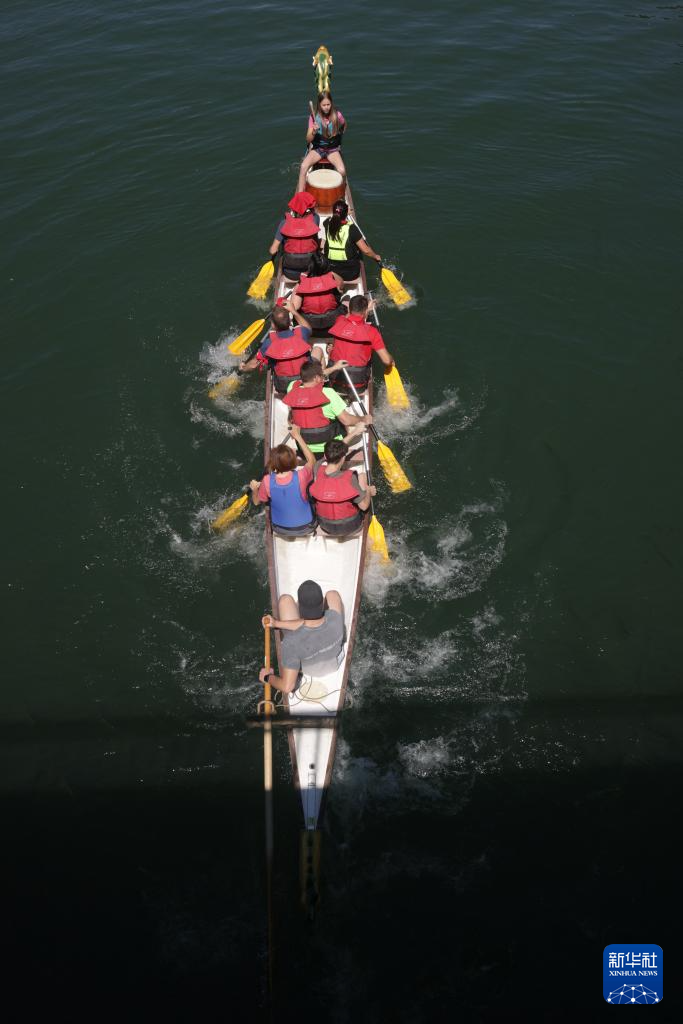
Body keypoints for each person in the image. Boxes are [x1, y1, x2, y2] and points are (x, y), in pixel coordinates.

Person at [259, 582, 346, 693]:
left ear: (299, 607)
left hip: (308, 670)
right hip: (334, 664)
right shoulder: (335, 617)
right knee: (333, 594)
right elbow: (311, 623)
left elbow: (287, 687)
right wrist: (276, 623)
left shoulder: (291, 642)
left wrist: (267, 677)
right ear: (323, 603)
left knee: (285, 600)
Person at [282, 360, 372, 456]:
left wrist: (334, 368)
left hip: (303, 447)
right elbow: (347, 420)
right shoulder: (328, 393)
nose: (323, 378)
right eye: (321, 375)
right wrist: (363, 419)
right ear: (316, 377)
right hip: (330, 449)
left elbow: (308, 378)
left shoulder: (291, 387)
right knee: (340, 418)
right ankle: (343, 404)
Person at [239, 301, 324, 394]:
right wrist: (294, 311)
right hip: (306, 380)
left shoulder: (269, 343)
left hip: (283, 386)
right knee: (318, 350)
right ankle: (322, 380)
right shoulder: (301, 333)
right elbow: (308, 328)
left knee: (270, 362)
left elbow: (253, 365)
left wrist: (243, 368)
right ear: (289, 321)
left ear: (273, 325)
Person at [249, 425, 316, 537]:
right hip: (307, 527)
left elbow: (256, 502)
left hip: (280, 529)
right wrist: (298, 437)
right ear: (294, 461)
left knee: (268, 499)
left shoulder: (267, 480)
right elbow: (312, 460)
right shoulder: (302, 475)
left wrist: (255, 489)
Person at [309, 438, 376, 538]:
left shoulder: (317, 467)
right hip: (351, 526)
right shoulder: (349, 477)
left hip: (325, 525)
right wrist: (369, 492)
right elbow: (364, 506)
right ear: (343, 458)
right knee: (362, 476)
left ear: (325, 456)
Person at [326, 294, 395, 391]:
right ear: (366, 311)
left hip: (334, 381)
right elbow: (386, 361)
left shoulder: (339, 320)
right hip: (358, 386)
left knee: (331, 348)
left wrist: (366, 310)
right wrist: (391, 361)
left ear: (349, 310)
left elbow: (349, 318)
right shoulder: (372, 332)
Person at [296, 92, 346, 193]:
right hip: (318, 149)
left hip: (332, 150)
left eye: (328, 104)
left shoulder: (338, 115)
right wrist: (314, 131)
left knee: (342, 171)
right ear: (319, 105)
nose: (326, 107)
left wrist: (338, 135)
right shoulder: (313, 118)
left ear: (331, 104)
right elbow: (308, 139)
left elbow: (344, 125)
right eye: (324, 105)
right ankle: (300, 196)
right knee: (303, 167)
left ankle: (341, 194)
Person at [323, 200, 381, 282]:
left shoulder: (326, 224)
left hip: (330, 270)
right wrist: (375, 256)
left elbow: (332, 218)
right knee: (357, 248)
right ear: (346, 214)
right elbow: (366, 251)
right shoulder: (352, 228)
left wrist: (345, 213)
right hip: (349, 273)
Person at [269, 191, 320, 281]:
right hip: (310, 271)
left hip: (290, 273)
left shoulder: (284, 223)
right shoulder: (315, 219)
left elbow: (273, 250)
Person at [289, 251, 345, 333]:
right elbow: (342, 286)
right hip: (332, 323)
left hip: (310, 325)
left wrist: (298, 284)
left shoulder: (303, 282)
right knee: (346, 300)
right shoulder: (332, 278)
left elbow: (295, 306)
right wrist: (331, 272)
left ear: (310, 267)